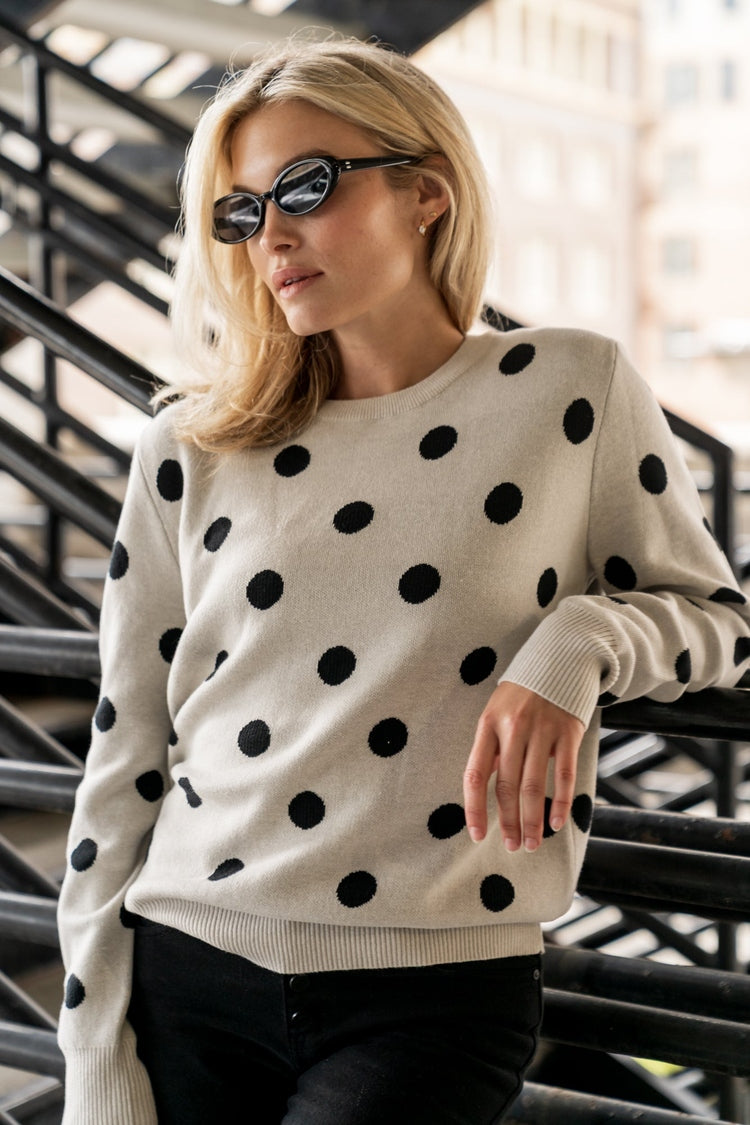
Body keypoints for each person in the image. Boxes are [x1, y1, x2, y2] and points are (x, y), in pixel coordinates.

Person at [56, 33, 750, 1125]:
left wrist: (580, 641)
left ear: (427, 190)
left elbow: (717, 621)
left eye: (306, 187)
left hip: (436, 990)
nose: (272, 235)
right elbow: (124, 752)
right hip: (186, 967)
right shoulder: (189, 447)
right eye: (241, 212)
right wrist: (96, 1053)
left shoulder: (569, 389)